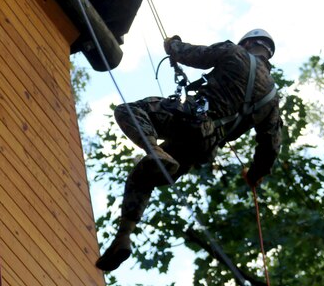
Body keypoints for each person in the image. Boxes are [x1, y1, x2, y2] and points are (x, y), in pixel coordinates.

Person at [95, 29, 283, 272]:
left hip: (188, 118)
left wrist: (173, 45)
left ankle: (154, 150)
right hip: (204, 146)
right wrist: (254, 175)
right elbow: (270, 147)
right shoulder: (272, 99)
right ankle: (123, 238)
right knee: (144, 177)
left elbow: (191, 55)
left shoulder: (234, 53)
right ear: (268, 54)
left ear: (246, 43)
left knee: (128, 111)